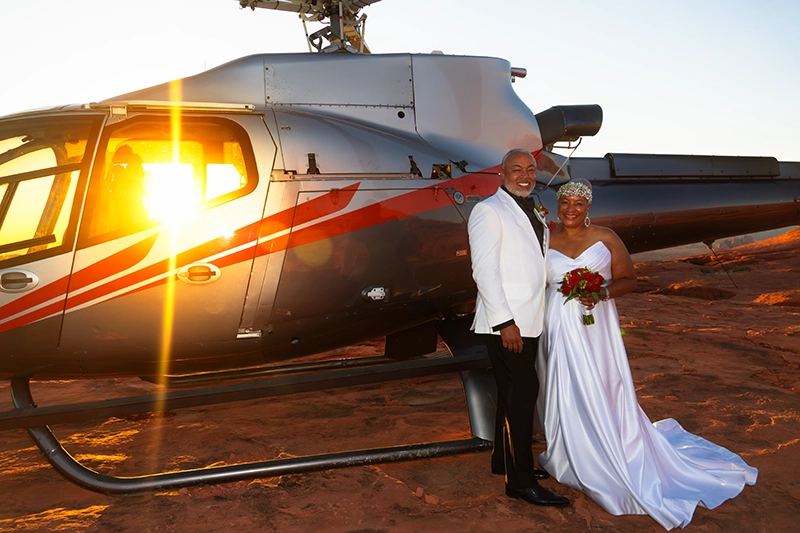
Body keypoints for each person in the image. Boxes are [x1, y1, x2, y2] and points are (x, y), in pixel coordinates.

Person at [537, 178, 758, 529]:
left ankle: (609, 450)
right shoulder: (546, 239)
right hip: (556, 325)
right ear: (558, 204)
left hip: (596, 328)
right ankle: (567, 452)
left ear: (589, 207)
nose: (571, 209)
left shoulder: (607, 237)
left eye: (579, 203)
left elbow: (629, 279)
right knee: (562, 387)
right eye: (566, 202)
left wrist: (601, 293)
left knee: (602, 386)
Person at [467, 148, 569, 507]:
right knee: (524, 393)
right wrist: (505, 323)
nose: (525, 175)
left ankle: (504, 461)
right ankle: (521, 482)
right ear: (502, 173)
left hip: (529, 318)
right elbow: (484, 271)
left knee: (511, 393)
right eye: (516, 169)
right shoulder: (488, 211)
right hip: (507, 323)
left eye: (530, 169)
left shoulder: (532, 209)